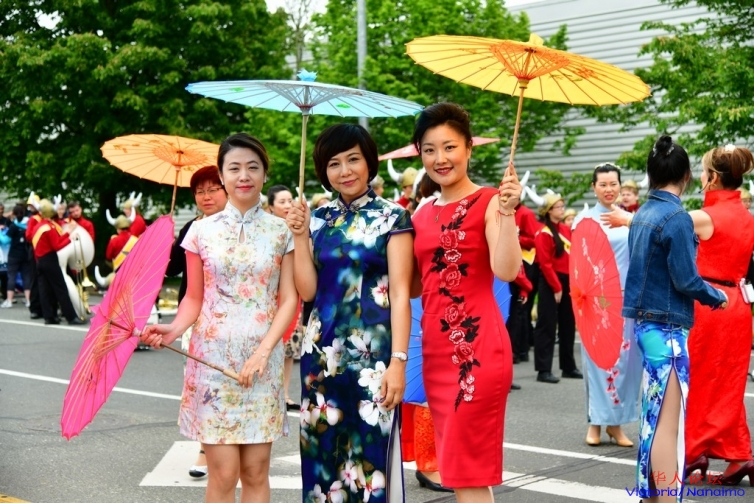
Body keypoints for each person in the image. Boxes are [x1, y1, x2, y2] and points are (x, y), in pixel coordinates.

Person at [140, 133, 297, 503]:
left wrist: (263, 352)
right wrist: (173, 328)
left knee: (256, 471)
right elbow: (194, 297)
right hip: (212, 363)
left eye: (253, 167)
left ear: (264, 174)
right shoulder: (200, 230)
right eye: (234, 168)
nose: (244, 176)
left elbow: (289, 298)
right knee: (223, 474)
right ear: (223, 175)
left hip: (262, 363)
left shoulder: (281, 230)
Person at [285, 123, 413, 502]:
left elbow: (401, 294)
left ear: (369, 161)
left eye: (353, 159)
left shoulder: (393, 217)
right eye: (334, 163)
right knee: (322, 458)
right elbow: (308, 291)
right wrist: (300, 236)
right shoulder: (318, 219)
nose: (345, 171)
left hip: (373, 360)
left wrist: (399, 362)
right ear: (324, 171)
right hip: (320, 357)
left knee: (370, 460)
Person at [410, 103, 521, 503]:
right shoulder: (421, 213)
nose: (440, 158)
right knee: (458, 472)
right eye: (429, 150)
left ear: (469, 147)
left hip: (477, 352)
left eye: (450, 147)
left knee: (469, 472)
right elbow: (413, 286)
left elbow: (507, 269)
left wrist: (507, 213)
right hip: (434, 352)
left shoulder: (490, 201)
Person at [622, 135, 727, 503]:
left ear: (651, 174)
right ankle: (667, 498)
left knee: (652, 420)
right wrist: (717, 296)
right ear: (685, 176)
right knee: (668, 425)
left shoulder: (642, 214)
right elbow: (686, 279)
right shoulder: (677, 218)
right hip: (667, 328)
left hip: (646, 325)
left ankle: (651, 496)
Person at [683, 145, 754, 486]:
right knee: (728, 383)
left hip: (709, 303)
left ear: (712, 177)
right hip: (738, 303)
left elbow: (658, 225)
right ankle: (739, 455)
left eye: (702, 171)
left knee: (698, 377)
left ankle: (693, 450)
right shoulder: (747, 216)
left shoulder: (704, 217)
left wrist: (626, 219)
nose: (700, 177)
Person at [163, 164, 228, 480]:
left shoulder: (240, 227)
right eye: (200, 191)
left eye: (213, 189)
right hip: (196, 317)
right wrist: (166, 242)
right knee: (203, 383)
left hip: (234, 319)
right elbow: (172, 268)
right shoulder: (192, 227)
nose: (206, 196)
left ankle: (234, 445)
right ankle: (206, 448)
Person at [572, 164, 642, 448]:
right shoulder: (583, 220)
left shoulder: (629, 219)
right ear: (594, 187)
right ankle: (595, 422)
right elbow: (578, 267)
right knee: (598, 364)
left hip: (625, 300)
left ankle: (616, 424)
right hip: (595, 303)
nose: (609, 189)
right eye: (603, 184)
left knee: (624, 363)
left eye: (613, 184)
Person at [533, 192, 580, 383]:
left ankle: (568, 366)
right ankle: (543, 370)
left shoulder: (566, 230)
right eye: (558, 207)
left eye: (562, 206)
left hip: (568, 280)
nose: (562, 209)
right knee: (547, 325)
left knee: (568, 324)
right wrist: (556, 287)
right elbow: (545, 264)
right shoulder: (543, 233)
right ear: (549, 211)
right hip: (550, 281)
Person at [265, 184, 303, 412]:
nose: (288, 205)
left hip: (294, 295)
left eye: (290, 200)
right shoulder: (267, 230)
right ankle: (272, 391)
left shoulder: (299, 228)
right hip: (272, 296)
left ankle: (285, 393)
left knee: (289, 349)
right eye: (282, 202)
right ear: (270, 206)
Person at [30, 199, 86, 326]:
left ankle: (49, 317)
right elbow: (57, 245)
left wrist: (66, 234)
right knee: (61, 288)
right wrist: (70, 238)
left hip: (40, 260)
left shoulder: (38, 226)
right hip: (50, 259)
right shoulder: (49, 227)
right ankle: (71, 317)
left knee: (45, 290)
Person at [1, 204, 32, 309]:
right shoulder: (28, 225)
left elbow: (5, 241)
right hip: (26, 254)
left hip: (14, 254)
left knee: (11, 276)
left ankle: (9, 300)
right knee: (26, 277)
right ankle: (28, 300)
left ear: (13, 214)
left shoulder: (13, 226)